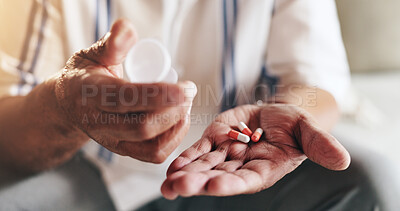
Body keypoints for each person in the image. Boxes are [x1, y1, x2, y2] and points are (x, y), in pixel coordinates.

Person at [0, 0, 397, 210]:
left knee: (367, 182)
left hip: (235, 173)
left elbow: (318, 84)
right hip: (85, 169)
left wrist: (291, 115)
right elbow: (10, 124)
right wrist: (64, 106)